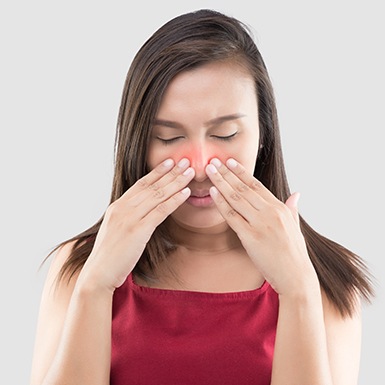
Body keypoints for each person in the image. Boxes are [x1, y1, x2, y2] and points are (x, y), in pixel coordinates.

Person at [30, 9, 374, 385]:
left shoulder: (328, 280)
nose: (198, 166)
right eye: (168, 138)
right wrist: (95, 286)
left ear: (264, 136)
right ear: (137, 143)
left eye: (225, 134)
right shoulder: (79, 266)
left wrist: (298, 291)